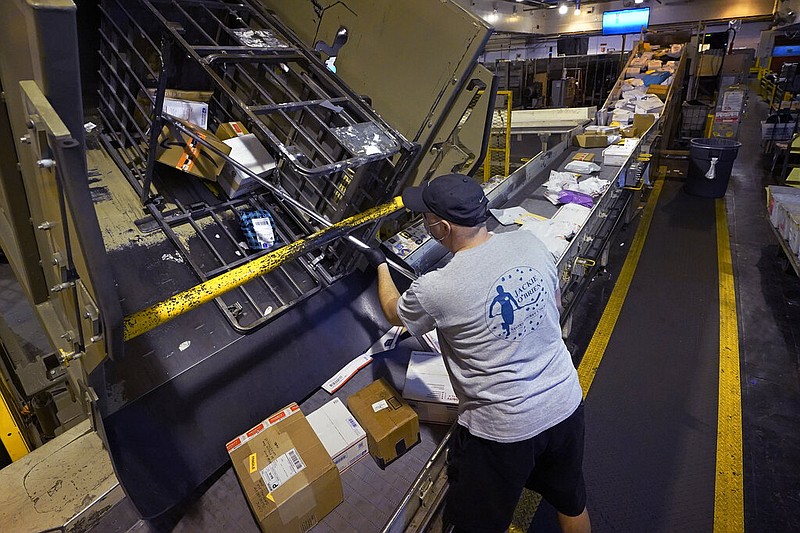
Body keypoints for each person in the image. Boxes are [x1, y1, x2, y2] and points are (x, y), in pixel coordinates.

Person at [361, 173, 591, 533]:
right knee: (571, 500)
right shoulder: (529, 242)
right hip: (565, 402)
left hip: (504, 429)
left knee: (476, 524)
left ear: (441, 226)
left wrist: (379, 264)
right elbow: (554, 304)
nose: (425, 223)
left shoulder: (437, 287)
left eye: (427, 217)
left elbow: (393, 312)